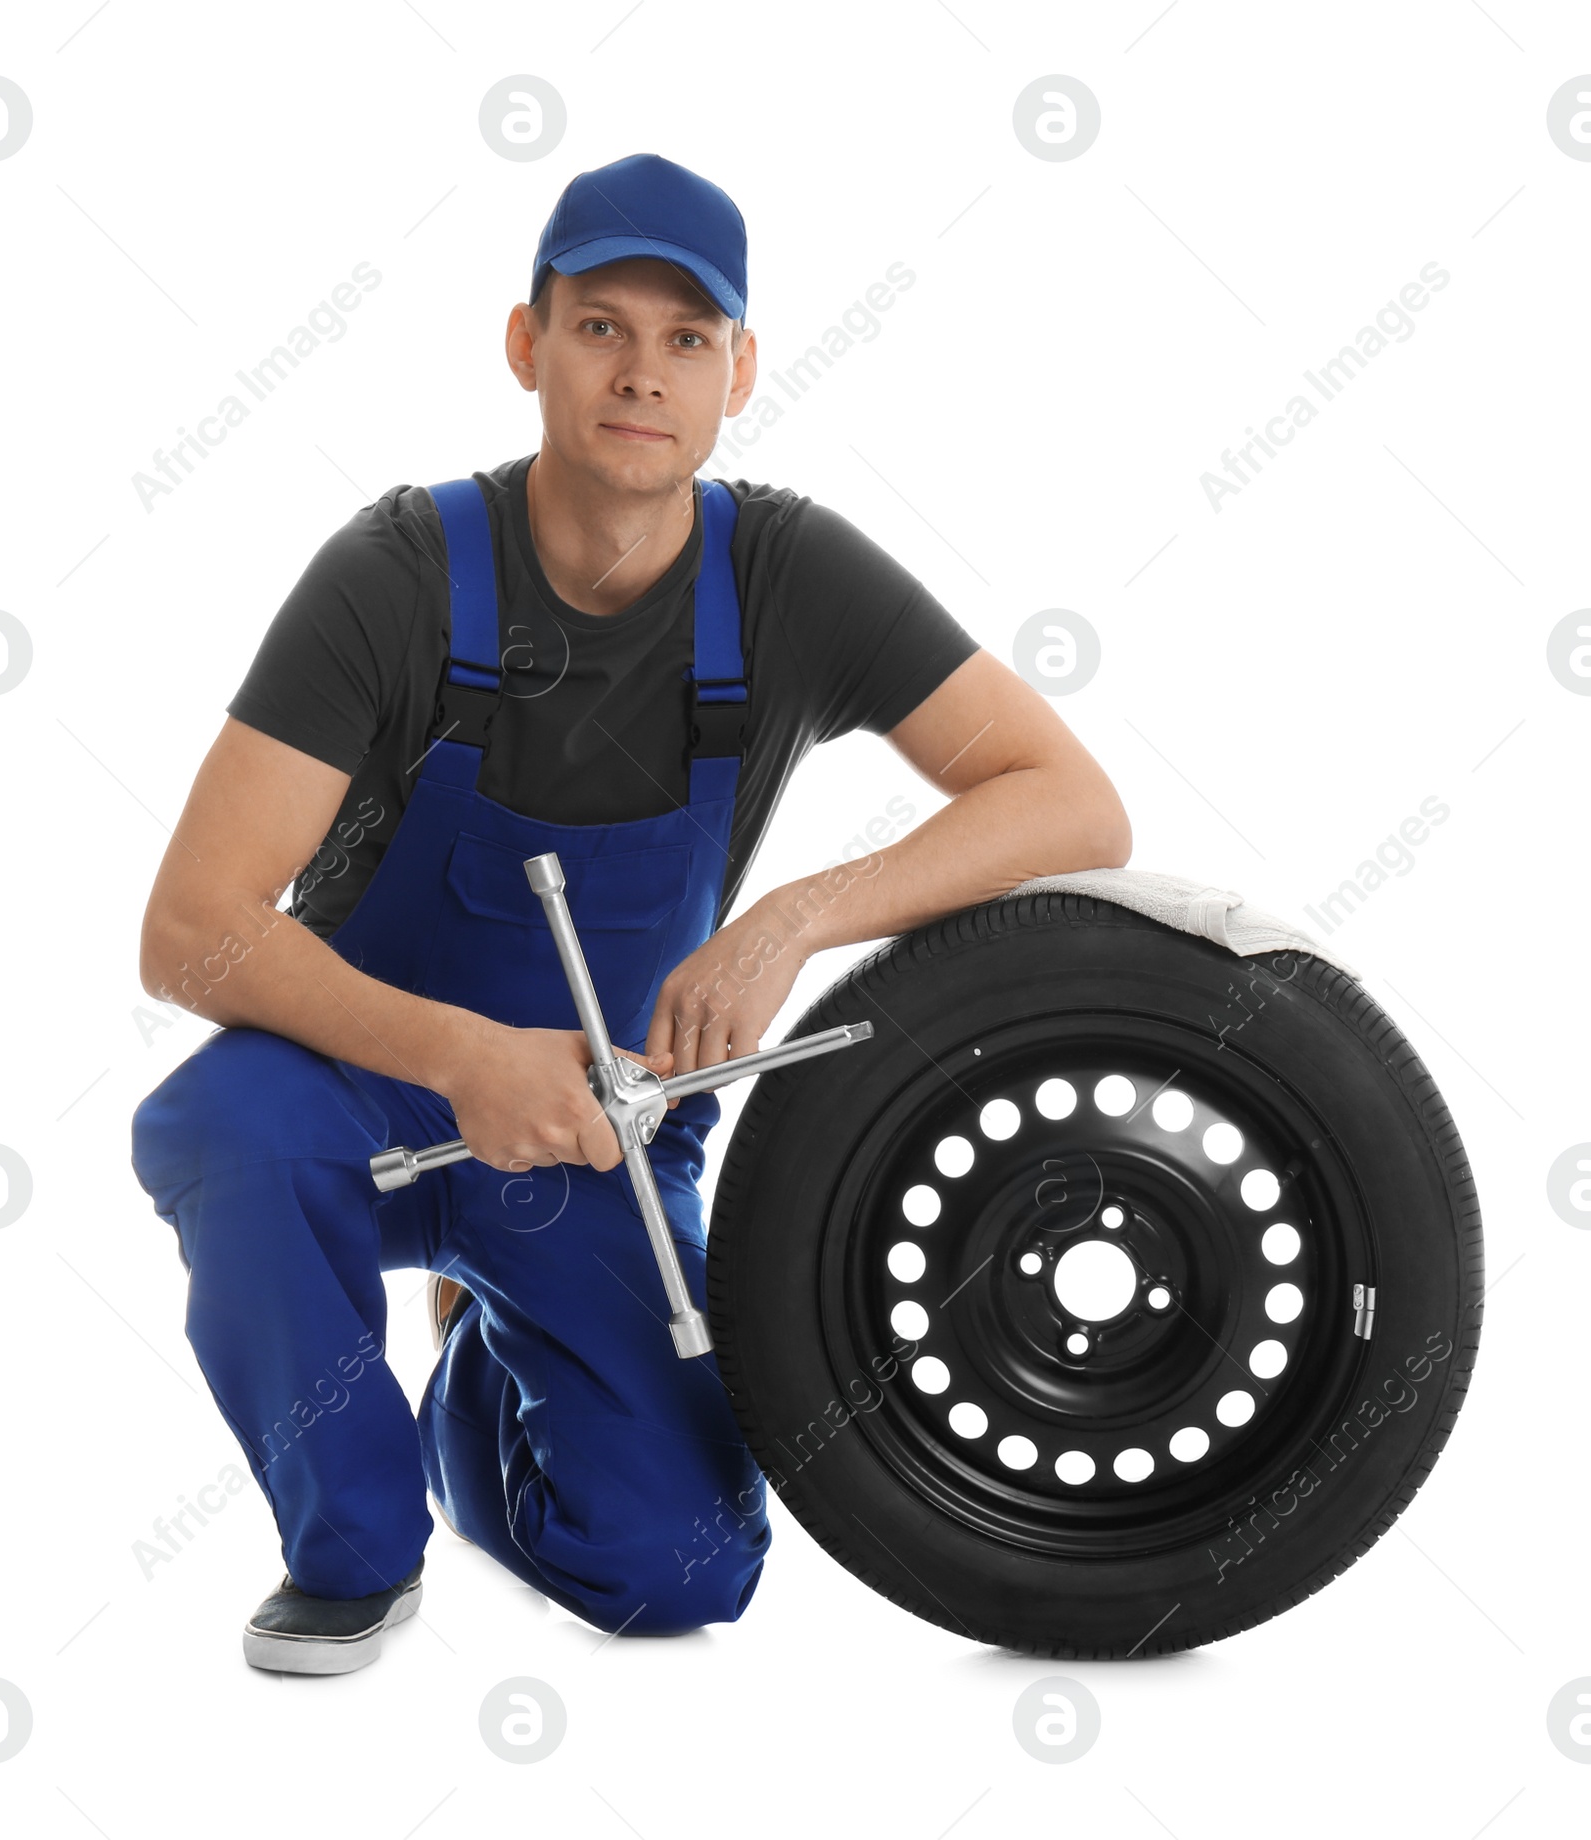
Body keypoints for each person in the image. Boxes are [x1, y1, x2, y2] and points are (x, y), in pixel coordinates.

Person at [128, 151, 1132, 1675]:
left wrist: (796, 914)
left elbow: (1067, 798)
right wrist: (464, 1055)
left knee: (683, 1573)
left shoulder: (789, 575)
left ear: (738, 371)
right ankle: (352, 1551)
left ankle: (480, 1387)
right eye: (601, 326)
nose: (641, 372)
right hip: (355, 1088)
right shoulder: (398, 576)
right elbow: (192, 927)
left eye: (685, 338)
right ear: (527, 344)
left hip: (601, 1129)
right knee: (221, 1128)